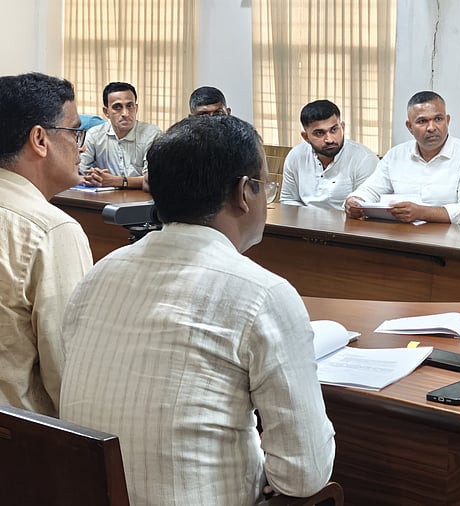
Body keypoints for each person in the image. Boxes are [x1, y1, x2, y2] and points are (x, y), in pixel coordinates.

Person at [59, 115, 335, 505]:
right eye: (264, 187)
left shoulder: (98, 274)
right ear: (244, 192)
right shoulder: (263, 294)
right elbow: (303, 475)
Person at [0, 72, 93, 417]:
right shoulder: (51, 230)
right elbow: (70, 372)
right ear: (40, 139)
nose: (81, 147)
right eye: (74, 132)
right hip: (21, 449)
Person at [344, 90, 460, 225]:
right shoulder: (396, 155)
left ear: (447, 121)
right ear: (409, 126)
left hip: (456, 243)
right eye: (422, 121)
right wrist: (355, 202)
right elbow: (370, 190)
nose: (431, 127)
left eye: (438, 119)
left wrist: (421, 212)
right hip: (405, 238)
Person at [280, 99, 379, 211]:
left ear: (342, 127)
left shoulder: (364, 159)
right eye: (319, 133)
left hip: (348, 226)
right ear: (306, 137)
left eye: (334, 130)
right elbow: (288, 200)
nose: (329, 139)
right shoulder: (296, 156)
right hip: (304, 224)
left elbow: (366, 208)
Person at [80, 81, 161, 189]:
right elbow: (80, 171)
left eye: (129, 106)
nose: (125, 113)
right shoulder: (95, 134)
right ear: (106, 111)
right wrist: (94, 177)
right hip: (105, 198)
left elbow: (153, 180)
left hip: (142, 200)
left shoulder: (152, 134)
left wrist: (115, 181)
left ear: (136, 108)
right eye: (117, 107)